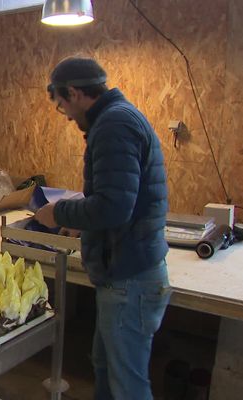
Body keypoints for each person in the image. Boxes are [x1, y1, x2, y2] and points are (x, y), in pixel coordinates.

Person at [35, 57, 170, 400]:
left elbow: (114, 206)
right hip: (125, 273)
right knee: (107, 366)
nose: (64, 113)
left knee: (127, 383)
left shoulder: (114, 126)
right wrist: (84, 224)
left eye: (61, 103)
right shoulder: (117, 119)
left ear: (75, 93)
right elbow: (120, 201)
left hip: (130, 279)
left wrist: (61, 212)